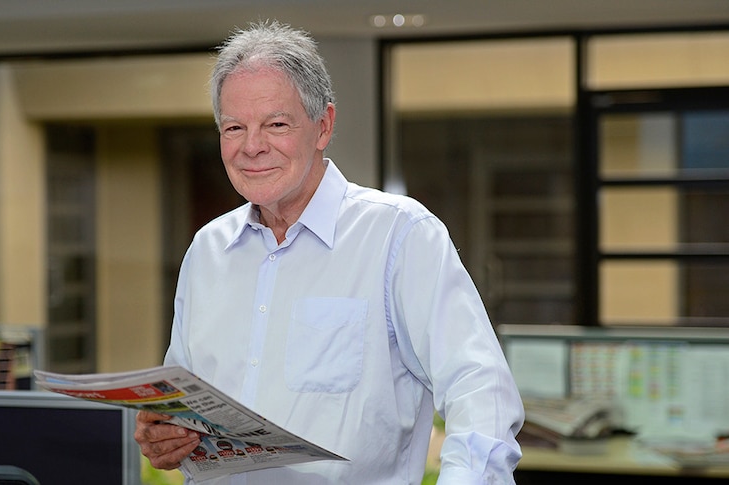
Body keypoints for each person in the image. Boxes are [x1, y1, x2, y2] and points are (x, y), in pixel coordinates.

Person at [135, 20, 524, 484]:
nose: (252, 147)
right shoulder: (206, 251)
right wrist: (165, 434)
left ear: (323, 126)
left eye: (276, 124)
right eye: (234, 127)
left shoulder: (399, 235)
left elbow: (483, 394)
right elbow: (181, 403)